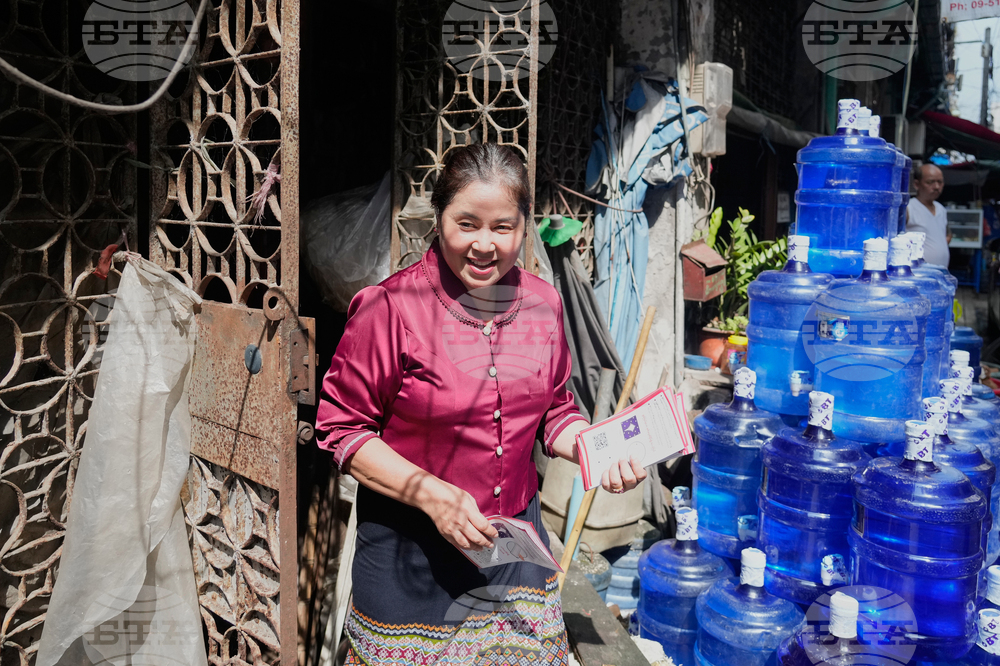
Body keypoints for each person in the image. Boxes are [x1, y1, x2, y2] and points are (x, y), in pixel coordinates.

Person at [315, 143, 647, 666]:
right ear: (438, 217)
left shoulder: (544, 303)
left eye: (503, 227)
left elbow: (555, 412)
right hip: (409, 563)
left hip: (512, 553)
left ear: (523, 226)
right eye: (467, 223)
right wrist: (432, 496)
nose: (484, 245)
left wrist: (592, 447)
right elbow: (342, 430)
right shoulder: (391, 309)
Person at [906, 163, 952, 268]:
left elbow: (947, 233)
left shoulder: (941, 208)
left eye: (940, 182)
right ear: (916, 184)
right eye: (930, 182)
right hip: (917, 274)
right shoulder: (909, 208)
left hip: (941, 274)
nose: (936, 187)